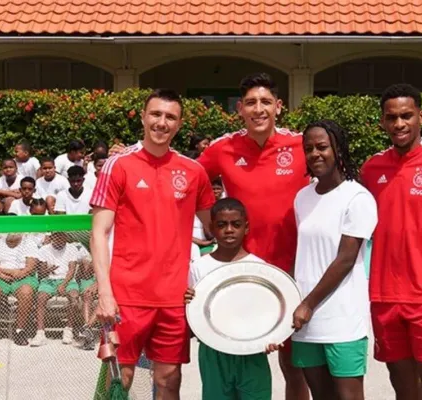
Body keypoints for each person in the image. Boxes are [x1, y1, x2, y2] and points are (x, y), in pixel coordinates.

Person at [90, 89, 215, 398]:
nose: (162, 122)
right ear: (144, 117)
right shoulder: (118, 166)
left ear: (179, 124)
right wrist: (105, 293)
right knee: (120, 378)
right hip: (126, 296)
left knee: (169, 381)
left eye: (170, 117)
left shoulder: (194, 171)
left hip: (174, 298)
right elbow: (98, 234)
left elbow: (220, 230)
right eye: (156, 114)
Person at [196, 73, 311, 400]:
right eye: (250, 103)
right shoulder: (223, 148)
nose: (258, 109)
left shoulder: (300, 144)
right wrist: (210, 224)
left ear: (278, 107)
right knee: (241, 358)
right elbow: (188, 179)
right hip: (241, 273)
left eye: (264, 102)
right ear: (240, 110)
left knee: (294, 367)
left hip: (293, 272)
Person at [360, 84, 422, 400]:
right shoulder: (372, 168)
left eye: (406, 116)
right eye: (392, 118)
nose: (399, 124)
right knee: (402, 385)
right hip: (385, 296)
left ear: (421, 117)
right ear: (382, 122)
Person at [290, 120, 378, 400]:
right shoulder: (302, 197)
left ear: (338, 149)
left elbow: (345, 259)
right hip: (306, 322)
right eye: (309, 148)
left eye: (322, 147)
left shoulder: (358, 197)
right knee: (321, 396)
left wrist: (307, 304)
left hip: (342, 320)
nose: (315, 153)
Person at [185, 198, 280, 400]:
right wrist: (187, 304)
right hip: (213, 352)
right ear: (211, 228)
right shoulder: (199, 267)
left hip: (252, 351)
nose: (229, 230)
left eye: (236, 224)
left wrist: (273, 336)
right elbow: (193, 318)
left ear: (246, 228)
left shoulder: (259, 267)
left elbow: (269, 311)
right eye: (222, 225)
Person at [0, 233, 40, 347]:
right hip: (1, 278)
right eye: (10, 230)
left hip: (24, 278)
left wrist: (4, 271)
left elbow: (30, 268)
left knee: (26, 292)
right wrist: (10, 273)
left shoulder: (29, 243)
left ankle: (20, 331)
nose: (12, 233)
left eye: (16, 230)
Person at [31, 232, 83, 347]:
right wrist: (48, 270)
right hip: (49, 280)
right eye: (56, 236)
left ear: (66, 236)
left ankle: (68, 329)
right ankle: (40, 333)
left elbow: (72, 270)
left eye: (62, 235)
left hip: (67, 280)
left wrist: (63, 284)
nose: (59, 238)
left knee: (74, 297)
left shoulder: (72, 248)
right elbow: (41, 273)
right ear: (52, 237)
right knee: (40, 298)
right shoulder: (44, 249)